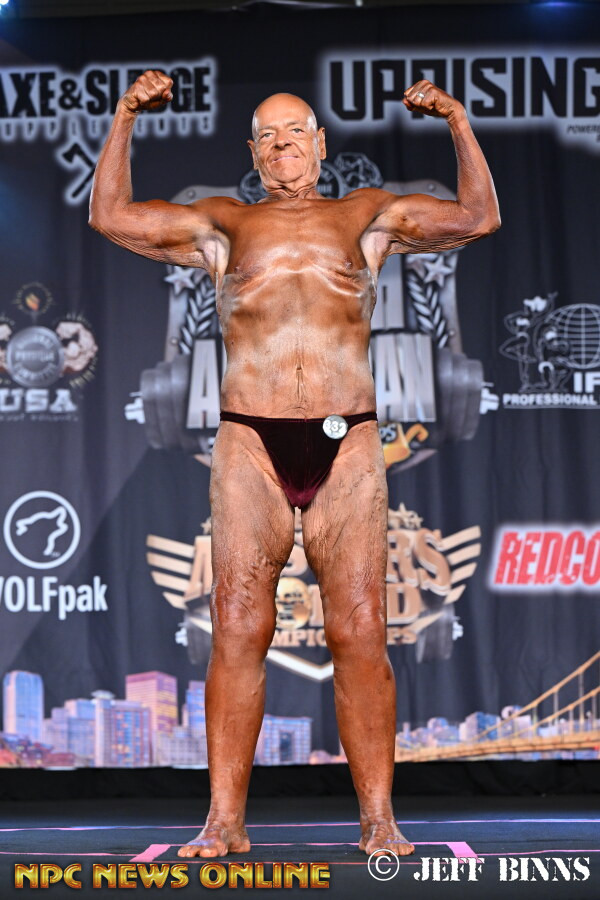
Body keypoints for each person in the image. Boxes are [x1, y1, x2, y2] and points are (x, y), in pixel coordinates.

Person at [89, 71, 500, 859]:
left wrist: (455, 116)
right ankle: (224, 822)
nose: (283, 148)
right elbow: (111, 216)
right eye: (268, 139)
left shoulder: (364, 215)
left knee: (360, 628)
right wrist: (126, 113)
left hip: (348, 442)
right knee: (238, 628)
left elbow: (479, 216)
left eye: (295, 134)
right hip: (251, 439)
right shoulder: (226, 224)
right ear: (254, 153)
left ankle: (379, 820)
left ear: (320, 143)